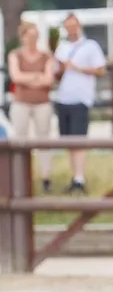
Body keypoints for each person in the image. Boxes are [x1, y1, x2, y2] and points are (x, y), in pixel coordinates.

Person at [52, 13, 107, 194]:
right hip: (63, 97)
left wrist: (78, 68)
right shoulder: (62, 48)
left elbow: (100, 70)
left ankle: (80, 177)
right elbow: (56, 74)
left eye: (73, 26)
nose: (71, 30)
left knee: (79, 140)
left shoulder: (90, 47)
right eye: (68, 27)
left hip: (81, 98)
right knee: (68, 141)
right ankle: (74, 175)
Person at [7, 20, 56, 192]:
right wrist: (37, 76)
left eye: (36, 36)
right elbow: (16, 77)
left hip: (42, 102)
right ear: (23, 37)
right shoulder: (15, 55)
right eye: (30, 36)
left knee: (44, 139)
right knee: (20, 138)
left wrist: (28, 79)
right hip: (21, 102)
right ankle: (19, 177)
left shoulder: (46, 56)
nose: (33, 39)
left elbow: (49, 79)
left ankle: (46, 177)